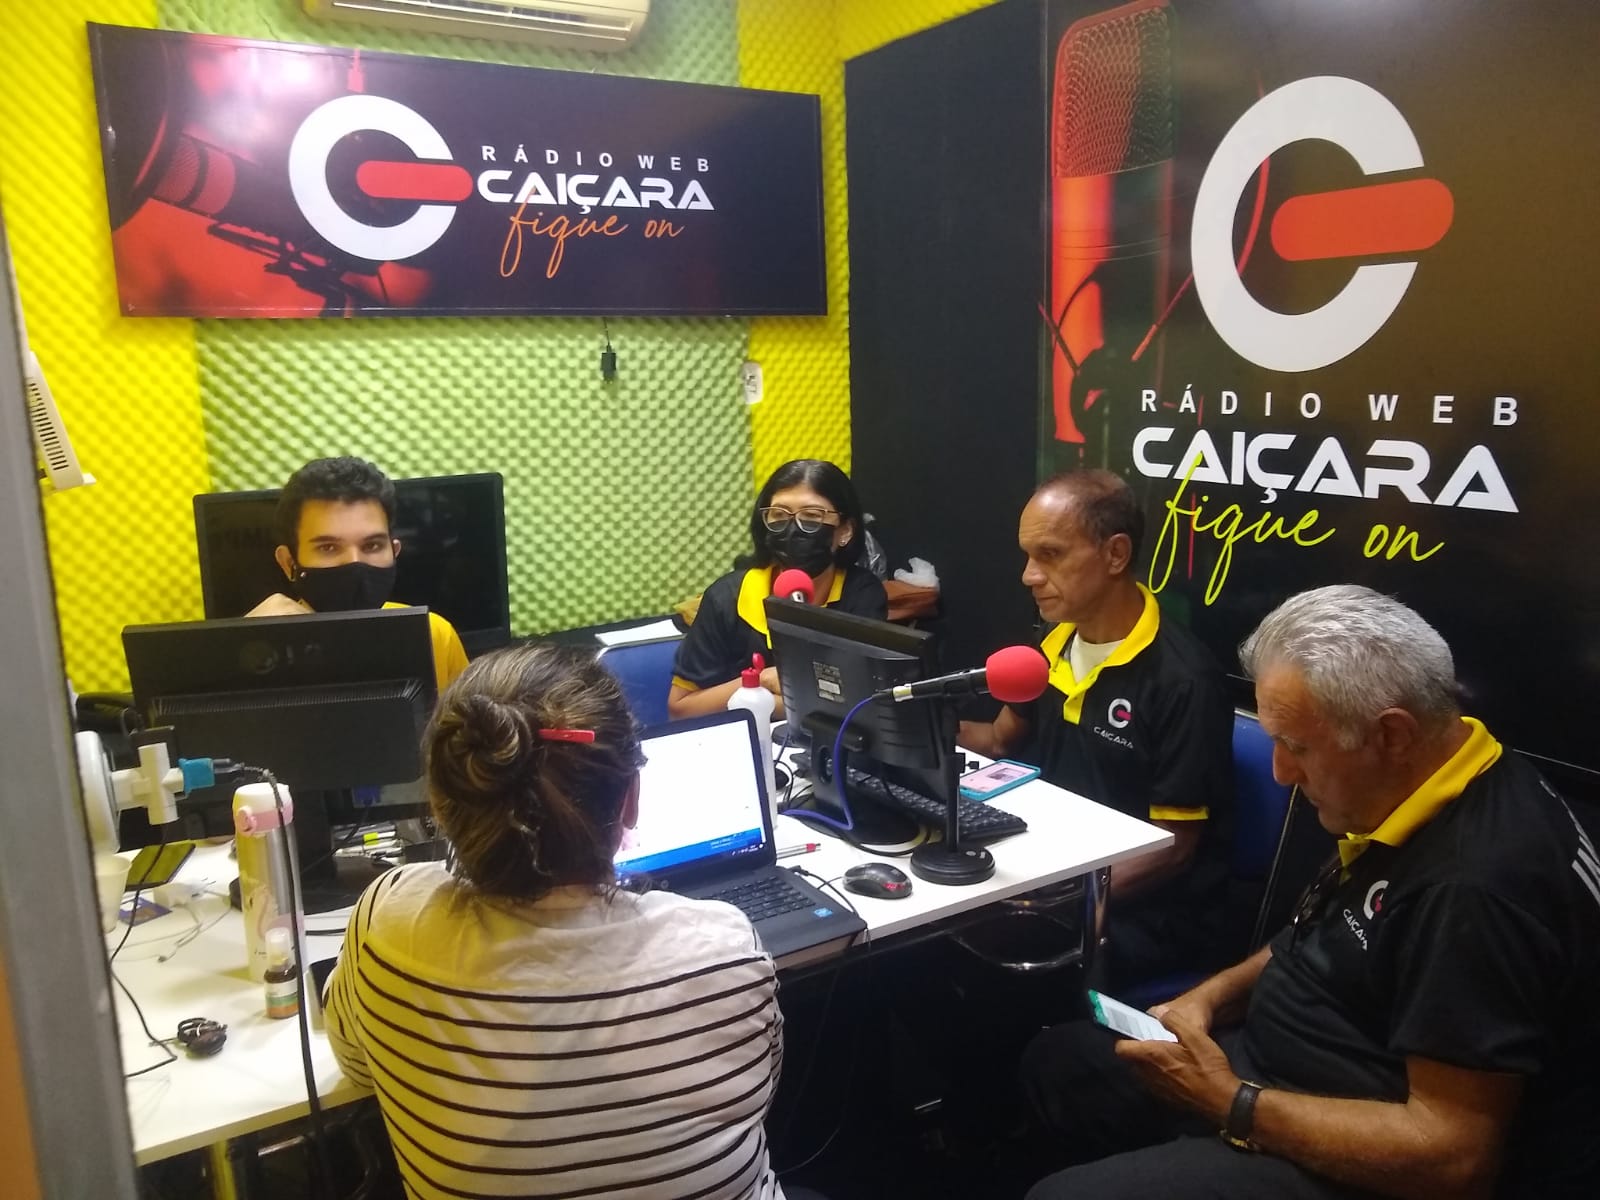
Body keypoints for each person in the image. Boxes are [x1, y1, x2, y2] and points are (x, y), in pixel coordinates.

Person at [1020, 585, 1600, 1199]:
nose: (1280, 772)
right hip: (1275, 1066)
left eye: (1297, 747)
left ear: (1392, 734)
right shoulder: (1438, 775)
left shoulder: (1477, 891)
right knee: (1062, 1063)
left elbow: (1452, 1156)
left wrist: (1230, 1103)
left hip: (1363, 1146)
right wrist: (1205, 1001)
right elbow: (1315, 935)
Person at [323, 642, 790, 1199]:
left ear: (441, 807)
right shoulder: (727, 949)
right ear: (631, 801)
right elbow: (759, 1089)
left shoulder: (387, 922)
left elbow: (356, 1065)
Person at [959, 470, 1235, 982]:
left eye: (1050, 554)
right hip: (1051, 865)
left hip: (1136, 911)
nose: (1029, 576)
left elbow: (1174, 849)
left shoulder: (1184, 680)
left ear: (1115, 554)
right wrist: (913, 727)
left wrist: (1052, 896)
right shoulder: (1051, 644)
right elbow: (998, 739)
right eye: (1027, 556)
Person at [668, 459, 887, 719]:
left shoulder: (862, 594)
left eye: (812, 516)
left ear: (845, 531)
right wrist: (758, 682)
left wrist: (778, 697)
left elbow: (862, 702)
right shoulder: (726, 598)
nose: (793, 530)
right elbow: (681, 709)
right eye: (779, 515)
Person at [246, 456, 468, 690]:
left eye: (372, 545)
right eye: (328, 547)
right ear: (288, 562)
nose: (354, 563)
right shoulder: (260, 650)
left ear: (394, 552)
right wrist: (239, 645)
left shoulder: (434, 635)